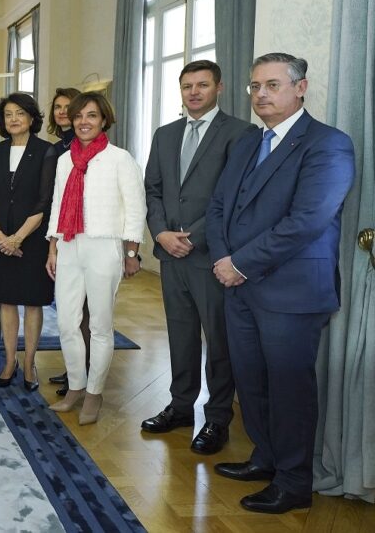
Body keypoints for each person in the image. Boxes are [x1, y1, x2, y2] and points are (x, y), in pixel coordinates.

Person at [206, 53, 354, 514]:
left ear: (300, 88)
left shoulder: (328, 144)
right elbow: (218, 206)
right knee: (251, 382)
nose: (261, 95)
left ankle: (293, 482)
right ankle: (265, 458)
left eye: (272, 85)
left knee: (289, 388)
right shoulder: (250, 141)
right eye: (254, 87)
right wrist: (222, 259)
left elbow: (307, 221)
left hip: (291, 291)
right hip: (239, 286)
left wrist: (240, 263)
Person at [141, 60, 255, 455]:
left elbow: (236, 195)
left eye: (202, 85)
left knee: (218, 341)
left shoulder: (242, 133)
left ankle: (219, 417)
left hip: (212, 256)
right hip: (171, 255)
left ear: (219, 88)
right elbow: (152, 189)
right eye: (187, 85)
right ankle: (181, 406)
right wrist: (160, 233)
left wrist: (193, 236)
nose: (194, 92)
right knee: (180, 335)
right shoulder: (165, 134)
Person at [45, 92, 145, 425]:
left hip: (105, 245)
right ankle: (75, 386)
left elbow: (135, 208)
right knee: (66, 322)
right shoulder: (64, 160)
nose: (83, 122)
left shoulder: (119, 158)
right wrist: (53, 246)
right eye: (78, 116)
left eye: (91, 116)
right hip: (69, 244)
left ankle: (94, 392)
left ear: (104, 120)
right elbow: (58, 205)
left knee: (100, 325)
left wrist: (132, 252)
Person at [0, 93, 57, 390]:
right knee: (7, 301)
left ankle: (29, 363)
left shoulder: (46, 151)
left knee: (34, 302)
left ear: (31, 118)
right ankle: (10, 360)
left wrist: (18, 238)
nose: (13, 119)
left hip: (33, 240)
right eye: (8, 114)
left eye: (20, 113)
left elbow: (44, 201)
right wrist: (1, 236)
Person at [44, 87, 89, 396]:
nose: (62, 112)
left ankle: (84, 373)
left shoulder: (86, 147)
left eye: (67, 107)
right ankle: (74, 369)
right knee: (69, 310)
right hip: (59, 232)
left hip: (83, 234)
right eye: (57, 107)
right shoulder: (56, 147)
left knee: (84, 310)